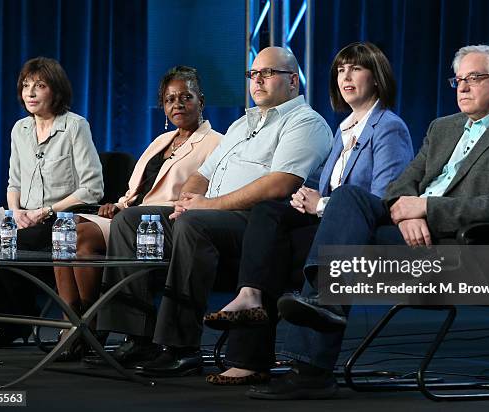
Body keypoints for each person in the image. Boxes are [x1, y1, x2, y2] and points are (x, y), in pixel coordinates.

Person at [247, 44, 489, 400]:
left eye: (475, 78)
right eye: (459, 79)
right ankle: (309, 317)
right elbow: (401, 184)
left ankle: (310, 365)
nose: (463, 87)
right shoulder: (443, 127)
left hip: (460, 243)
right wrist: (404, 210)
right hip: (409, 226)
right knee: (346, 197)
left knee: (323, 232)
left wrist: (424, 208)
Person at [88, 47, 333, 374]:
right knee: (131, 221)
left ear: (292, 80)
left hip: (260, 225)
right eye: (252, 74)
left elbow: (280, 185)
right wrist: (186, 200)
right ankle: (136, 336)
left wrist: (206, 207)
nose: (257, 80)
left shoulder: (305, 123)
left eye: (267, 73)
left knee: (196, 224)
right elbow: (201, 175)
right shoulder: (240, 126)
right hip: (211, 214)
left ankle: (180, 346)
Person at [201, 42, 413, 385]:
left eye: (356, 69)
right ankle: (249, 299)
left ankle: (273, 359)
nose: (346, 76)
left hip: (361, 236)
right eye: (341, 70)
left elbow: (385, 199)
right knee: (269, 214)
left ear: (377, 78)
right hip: (326, 225)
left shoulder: (389, 127)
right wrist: (306, 201)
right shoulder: (341, 129)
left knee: (272, 249)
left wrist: (322, 204)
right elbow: (326, 193)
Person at [52, 66, 221, 361]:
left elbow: (204, 193)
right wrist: (116, 205)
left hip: (163, 222)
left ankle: (89, 323)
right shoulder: (160, 142)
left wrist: (128, 212)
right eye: (170, 100)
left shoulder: (216, 143)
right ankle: (75, 320)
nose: (177, 104)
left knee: (80, 237)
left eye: (186, 97)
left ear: (201, 101)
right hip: (130, 215)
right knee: (64, 231)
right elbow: (136, 191)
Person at [0, 57, 103, 349]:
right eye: (26, 86)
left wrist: (45, 211)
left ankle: (23, 319)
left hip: (62, 218)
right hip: (25, 216)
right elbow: (14, 183)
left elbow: (92, 188)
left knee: (2, 245)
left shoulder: (75, 126)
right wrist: (15, 212)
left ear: (56, 91)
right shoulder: (20, 129)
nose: (30, 93)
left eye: (40, 86)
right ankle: (4, 325)